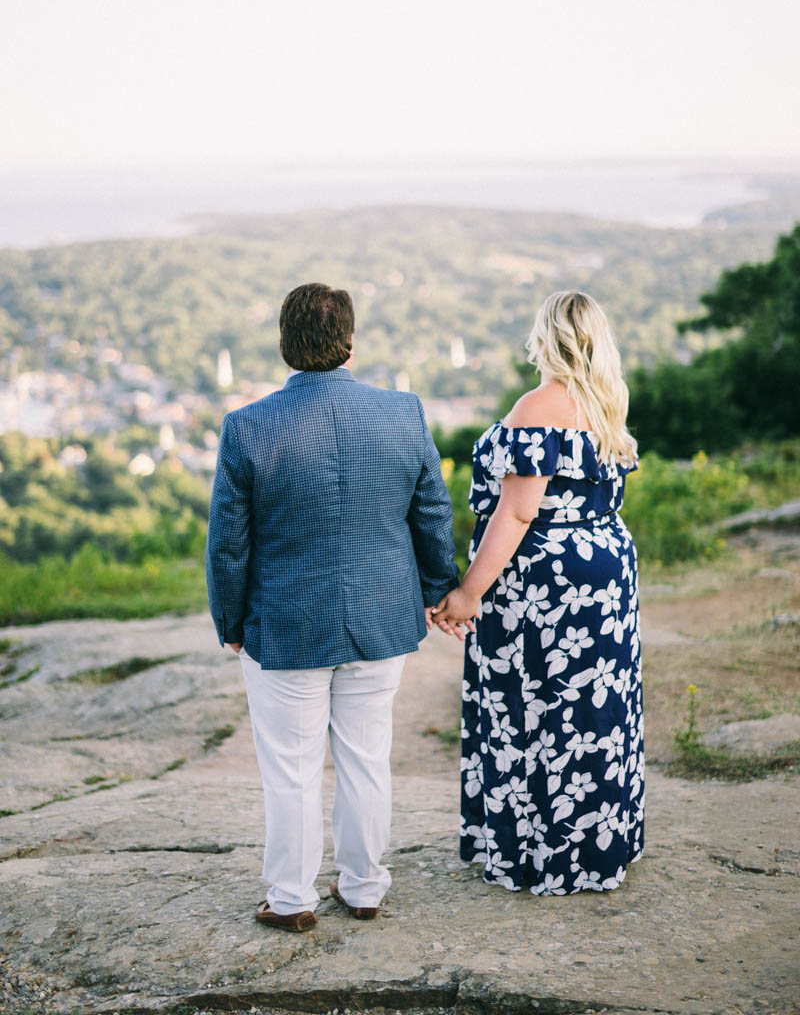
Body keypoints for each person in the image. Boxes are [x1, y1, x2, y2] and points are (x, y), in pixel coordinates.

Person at [205, 282, 459, 932]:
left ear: (285, 346)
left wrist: (231, 623)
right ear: (351, 342)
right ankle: (365, 886)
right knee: (366, 755)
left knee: (290, 770)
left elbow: (229, 545)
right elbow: (431, 511)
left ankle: (291, 900)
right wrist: (439, 590)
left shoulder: (247, 427)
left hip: (285, 627)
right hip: (381, 618)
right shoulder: (403, 413)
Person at [432, 290, 644, 895]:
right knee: (595, 706)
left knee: (534, 705)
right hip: (604, 567)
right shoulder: (604, 402)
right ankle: (599, 842)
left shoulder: (538, 405)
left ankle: (541, 851)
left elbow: (519, 511)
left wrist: (469, 592)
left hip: (547, 581)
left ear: (545, 337)